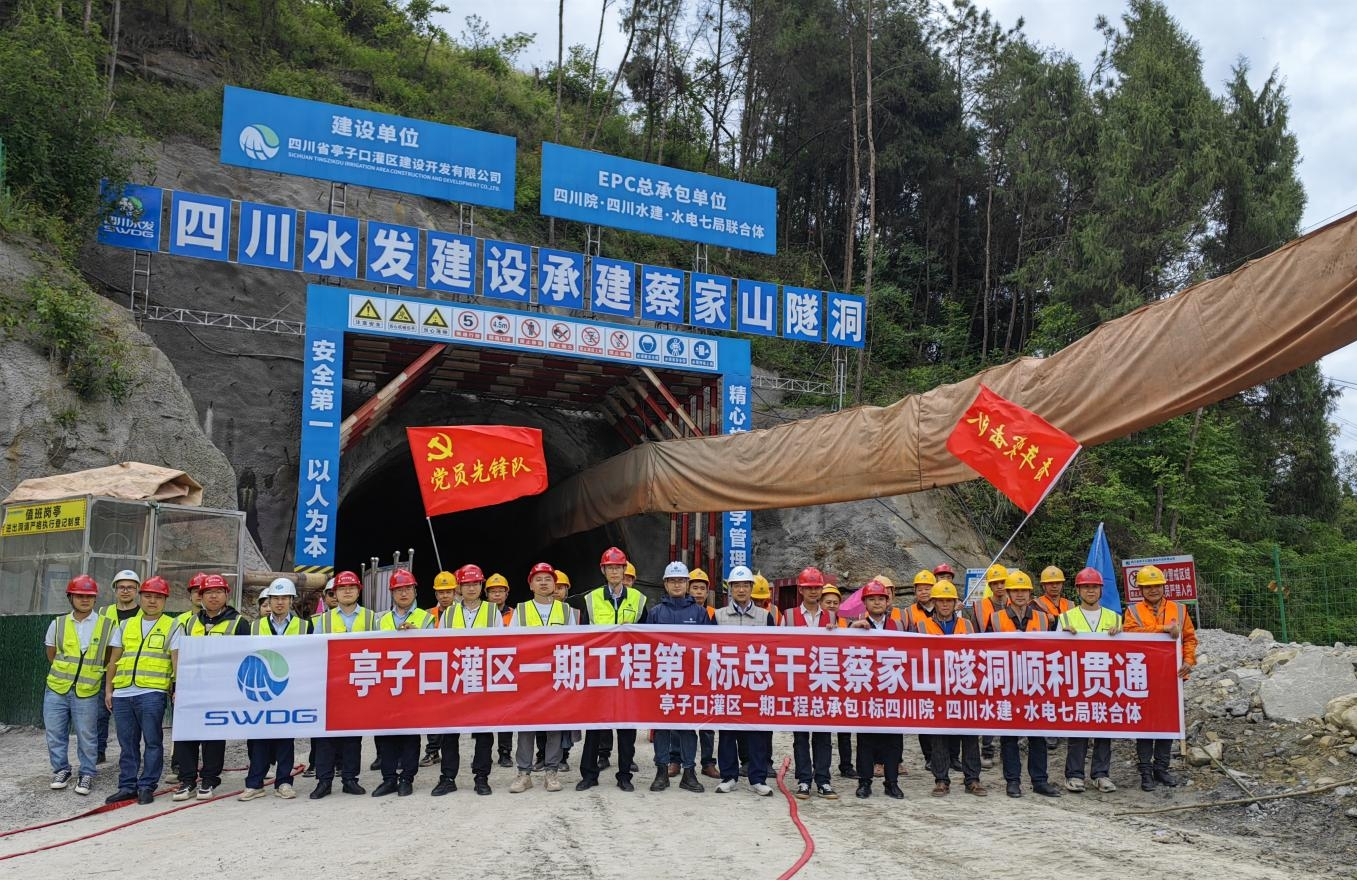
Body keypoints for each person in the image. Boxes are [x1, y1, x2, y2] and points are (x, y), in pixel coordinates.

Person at [575, 547, 647, 793]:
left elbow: (646, 636)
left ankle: (625, 775)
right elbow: (583, 636)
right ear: (603, 570)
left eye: (618, 567)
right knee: (595, 725)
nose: (614, 571)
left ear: (624, 570)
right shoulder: (592, 599)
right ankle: (589, 774)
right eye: (610, 567)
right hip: (600, 671)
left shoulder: (638, 599)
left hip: (627, 671)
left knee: (627, 726)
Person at [173, 573, 250, 801]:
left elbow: (244, 657)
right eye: (208, 592)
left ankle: (209, 779)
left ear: (226, 595)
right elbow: (179, 656)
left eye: (218, 592)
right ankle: (187, 780)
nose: (213, 596)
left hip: (220, 690)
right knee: (186, 735)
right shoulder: (189, 623)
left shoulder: (239, 623)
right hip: (191, 688)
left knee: (213, 736)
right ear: (201, 596)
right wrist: (177, 686)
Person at [103, 575, 179, 805]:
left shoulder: (173, 625)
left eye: (158, 597)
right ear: (140, 597)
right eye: (148, 596)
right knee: (127, 743)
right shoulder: (126, 625)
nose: (152, 601)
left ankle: (147, 786)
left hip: (152, 693)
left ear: (165, 600)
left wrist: (177, 688)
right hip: (123, 692)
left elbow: (176, 661)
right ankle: (127, 786)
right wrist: (109, 690)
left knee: (153, 741)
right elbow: (114, 660)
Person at [1123, 563, 1197, 792]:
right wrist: (1162, 629)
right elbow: (1130, 633)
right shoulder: (1133, 611)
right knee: (1145, 726)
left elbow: (1189, 639)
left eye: (1157, 585)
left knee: (1167, 723)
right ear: (1140, 589)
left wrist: (1188, 661)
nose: (1153, 590)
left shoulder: (1180, 609)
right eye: (1148, 586)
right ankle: (1145, 771)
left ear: (1164, 586)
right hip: (1143, 676)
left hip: (1171, 677)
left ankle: (1161, 769)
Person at [239, 578, 312, 802]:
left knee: (285, 739)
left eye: (284, 598)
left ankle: (284, 782)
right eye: (275, 598)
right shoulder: (254, 626)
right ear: (268, 601)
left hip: (290, 688)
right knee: (259, 738)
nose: (280, 602)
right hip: (263, 688)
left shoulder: (305, 626)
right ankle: (255, 783)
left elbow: (311, 657)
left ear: (291, 600)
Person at [646, 561, 715, 794]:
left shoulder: (699, 613)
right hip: (663, 680)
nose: (677, 585)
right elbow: (646, 647)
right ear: (665, 584)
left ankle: (689, 773)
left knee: (688, 727)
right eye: (672, 581)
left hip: (690, 681)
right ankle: (661, 772)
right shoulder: (656, 613)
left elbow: (708, 648)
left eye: (681, 581)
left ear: (687, 584)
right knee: (662, 728)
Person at [432, 564, 500, 797]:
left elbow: (501, 645)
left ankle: (481, 777)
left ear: (482, 586)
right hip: (455, 680)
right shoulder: (448, 613)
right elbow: (440, 646)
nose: (471, 588)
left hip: (482, 679)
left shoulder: (492, 612)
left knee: (484, 733)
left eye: (475, 584)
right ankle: (447, 777)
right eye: (466, 584)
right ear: (459, 587)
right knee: (450, 732)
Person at [44, 574, 113, 797]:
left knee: (87, 734)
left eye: (89, 596)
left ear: (95, 599)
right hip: (57, 688)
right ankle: (61, 770)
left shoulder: (107, 625)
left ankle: (87, 773)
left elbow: (109, 657)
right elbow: (52, 654)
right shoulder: (58, 623)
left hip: (87, 690)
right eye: (79, 595)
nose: (84, 600)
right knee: (55, 732)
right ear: (70, 597)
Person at [915, 580, 986, 797]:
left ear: (955, 603)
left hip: (964, 687)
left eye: (949, 600)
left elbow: (978, 654)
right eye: (941, 600)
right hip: (936, 688)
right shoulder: (921, 627)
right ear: (934, 602)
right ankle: (941, 780)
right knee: (939, 736)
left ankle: (972, 779)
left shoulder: (968, 625)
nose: (945, 604)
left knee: (970, 735)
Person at [993, 570, 1060, 799]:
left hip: (1035, 684)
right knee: (1009, 736)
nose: (1020, 594)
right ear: (1008, 593)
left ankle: (1039, 780)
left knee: (1038, 734)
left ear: (1030, 593)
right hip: (1007, 684)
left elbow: (1053, 648)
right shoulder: (996, 618)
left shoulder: (1042, 618)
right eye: (1015, 590)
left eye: (1024, 590)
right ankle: (1012, 781)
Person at [510, 562, 576, 793]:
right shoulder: (521, 610)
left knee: (554, 725)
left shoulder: (566, 611)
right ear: (530, 585)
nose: (544, 583)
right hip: (529, 677)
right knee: (526, 726)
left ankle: (551, 772)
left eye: (548, 579)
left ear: (555, 584)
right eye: (538, 579)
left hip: (556, 676)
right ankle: (524, 773)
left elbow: (573, 643)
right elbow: (512, 643)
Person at [310, 570, 377, 800]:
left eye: (351, 587)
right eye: (342, 588)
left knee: (352, 736)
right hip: (331, 685)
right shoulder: (324, 620)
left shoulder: (371, 618)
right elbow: (315, 650)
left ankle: (350, 779)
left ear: (359, 591)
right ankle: (324, 781)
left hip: (359, 683)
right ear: (335, 593)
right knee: (325, 736)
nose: (347, 591)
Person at [712, 566, 775, 796]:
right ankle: (729, 776)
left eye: (745, 585)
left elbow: (773, 650)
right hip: (728, 682)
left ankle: (758, 778)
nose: (741, 589)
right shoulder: (718, 616)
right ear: (730, 589)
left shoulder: (764, 616)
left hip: (755, 682)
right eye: (736, 585)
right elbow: (709, 648)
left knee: (757, 732)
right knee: (727, 731)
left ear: (751, 588)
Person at [1058, 567, 1121, 794]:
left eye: (1094, 586)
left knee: (1104, 728)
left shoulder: (1115, 618)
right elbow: (1054, 652)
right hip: (1077, 681)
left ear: (1101, 590)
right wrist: (1063, 635)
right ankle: (1074, 775)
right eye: (1085, 587)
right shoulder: (1066, 617)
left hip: (1105, 682)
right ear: (1078, 590)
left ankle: (1101, 774)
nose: (1090, 591)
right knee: (1078, 728)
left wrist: (1120, 635)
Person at [371, 569, 434, 797]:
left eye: (407, 588)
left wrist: (419, 636)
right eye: (398, 589)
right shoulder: (380, 620)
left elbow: (435, 650)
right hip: (387, 683)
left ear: (415, 590)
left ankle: (407, 778)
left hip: (413, 683)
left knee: (410, 734)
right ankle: (388, 778)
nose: (403, 593)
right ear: (392, 593)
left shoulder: (426, 619)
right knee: (387, 733)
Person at [782, 566, 837, 800]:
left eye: (817, 587)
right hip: (799, 683)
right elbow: (780, 648)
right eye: (809, 588)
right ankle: (804, 780)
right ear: (801, 590)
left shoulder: (831, 617)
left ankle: (823, 780)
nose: (813, 592)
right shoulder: (789, 616)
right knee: (801, 736)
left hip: (824, 683)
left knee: (823, 736)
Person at [848, 581, 905, 799]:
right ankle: (865, 782)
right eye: (872, 599)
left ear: (887, 601)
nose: (877, 602)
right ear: (865, 602)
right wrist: (851, 631)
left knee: (893, 740)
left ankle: (892, 782)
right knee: (866, 739)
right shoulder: (856, 626)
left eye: (881, 598)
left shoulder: (898, 626)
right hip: (866, 690)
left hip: (892, 688)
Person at [96, 569, 142, 765]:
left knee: (131, 720)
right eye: (121, 587)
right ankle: (98, 751)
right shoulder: (103, 612)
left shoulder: (145, 613)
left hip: (131, 673)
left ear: (137, 591)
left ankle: (131, 754)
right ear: (114, 590)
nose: (125, 591)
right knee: (100, 714)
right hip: (105, 669)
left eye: (130, 587)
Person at [419, 570, 461, 770]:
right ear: (435, 594)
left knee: (452, 712)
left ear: (455, 592)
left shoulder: (462, 613)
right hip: (434, 669)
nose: (445, 596)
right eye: (441, 592)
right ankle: (432, 750)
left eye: (448, 592)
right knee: (433, 712)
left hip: (457, 667)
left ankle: (449, 753)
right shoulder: (427, 615)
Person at [972, 562, 1009, 769]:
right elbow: (973, 634)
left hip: (1013, 664)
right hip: (988, 663)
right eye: (995, 583)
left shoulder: (1017, 602)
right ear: (990, 585)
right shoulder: (979, 607)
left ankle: (1007, 750)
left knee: (1010, 706)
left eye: (1002, 582)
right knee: (990, 707)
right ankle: (987, 750)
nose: (999, 586)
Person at [484, 573, 517, 768]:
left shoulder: (515, 614)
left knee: (506, 712)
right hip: (485, 667)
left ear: (506, 593)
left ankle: (505, 752)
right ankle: (484, 753)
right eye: (493, 591)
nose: (497, 594)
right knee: (486, 712)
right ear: (487, 594)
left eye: (500, 591)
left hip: (506, 667)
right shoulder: (482, 613)